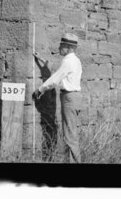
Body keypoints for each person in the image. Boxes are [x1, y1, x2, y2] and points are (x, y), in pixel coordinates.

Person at [32, 33, 83, 163]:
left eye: (62, 45)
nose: (59, 47)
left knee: (70, 134)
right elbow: (58, 70)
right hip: (75, 98)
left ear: (69, 47)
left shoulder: (68, 61)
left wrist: (40, 89)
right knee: (71, 132)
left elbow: (55, 79)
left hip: (69, 98)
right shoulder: (75, 60)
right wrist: (42, 60)